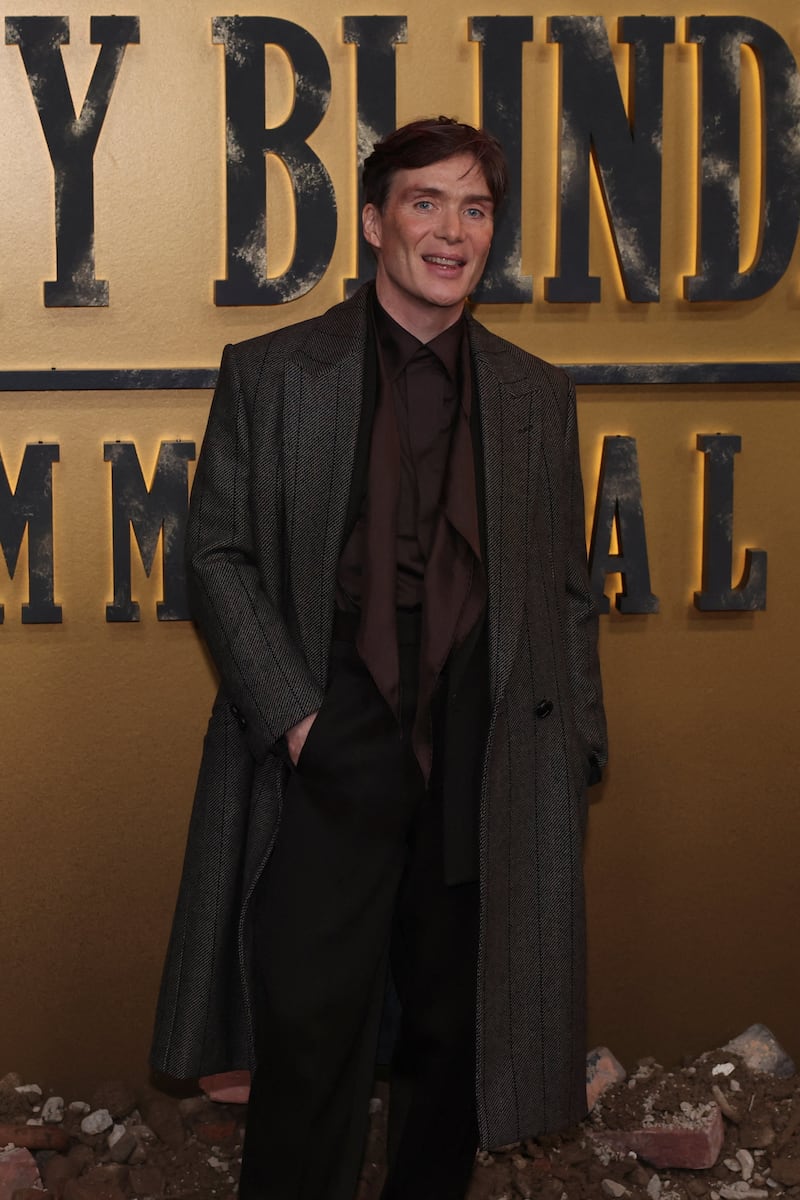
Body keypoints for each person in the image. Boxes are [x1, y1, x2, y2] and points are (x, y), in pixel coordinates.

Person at [151, 116, 607, 1200]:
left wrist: (577, 742)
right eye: (424, 202)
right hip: (329, 726)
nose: (451, 231)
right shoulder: (271, 374)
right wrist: (296, 716)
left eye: (475, 208)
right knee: (307, 1028)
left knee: (452, 1033)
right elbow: (213, 553)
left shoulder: (534, 396)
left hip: (482, 740)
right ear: (373, 222)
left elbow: (566, 592)